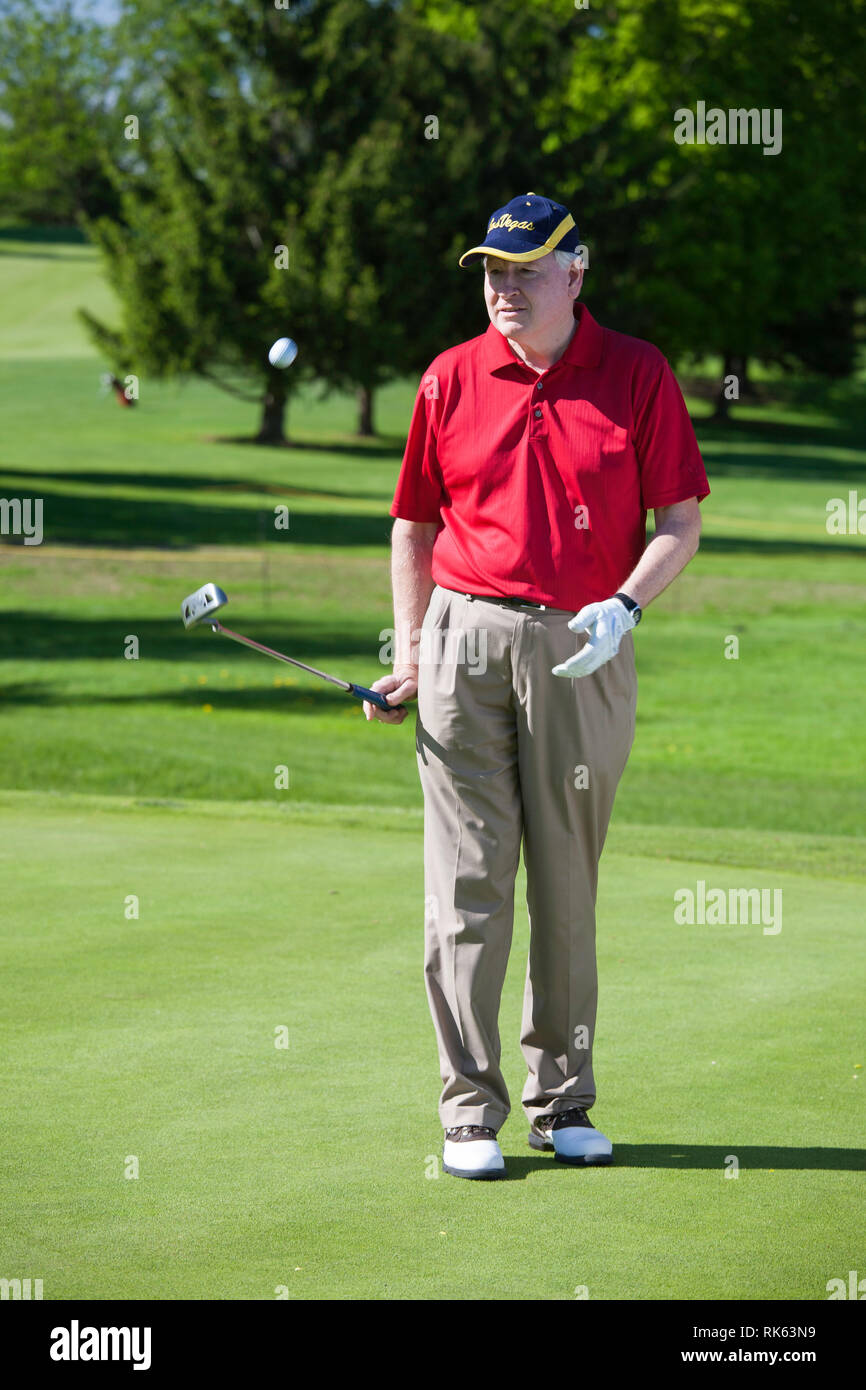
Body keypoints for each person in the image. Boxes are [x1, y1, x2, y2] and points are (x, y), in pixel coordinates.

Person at [364, 193, 710, 1179]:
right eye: (490, 270)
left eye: (522, 270)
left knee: (563, 885)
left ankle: (562, 1105)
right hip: (462, 637)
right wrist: (414, 649)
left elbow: (676, 519)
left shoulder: (635, 373)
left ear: (575, 273)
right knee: (465, 888)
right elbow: (413, 530)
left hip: (581, 644)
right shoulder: (448, 376)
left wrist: (625, 607)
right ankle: (468, 1111)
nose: (502, 288)